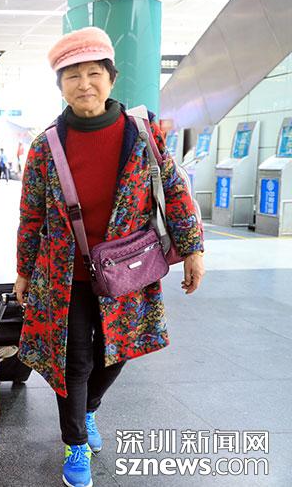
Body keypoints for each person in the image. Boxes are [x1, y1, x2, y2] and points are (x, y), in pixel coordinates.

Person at [14, 26, 205, 487]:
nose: (84, 84)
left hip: (127, 269)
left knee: (119, 350)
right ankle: (75, 441)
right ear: (60, 85)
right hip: (65, 275)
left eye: (93, 73)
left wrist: (193, 249)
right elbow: (31, 215)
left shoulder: (142, 134)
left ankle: (88, 408)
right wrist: (23, 272)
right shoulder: (45, 146)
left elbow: (174, 190)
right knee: (74, 360)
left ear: (111, 78)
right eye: (72, 75)